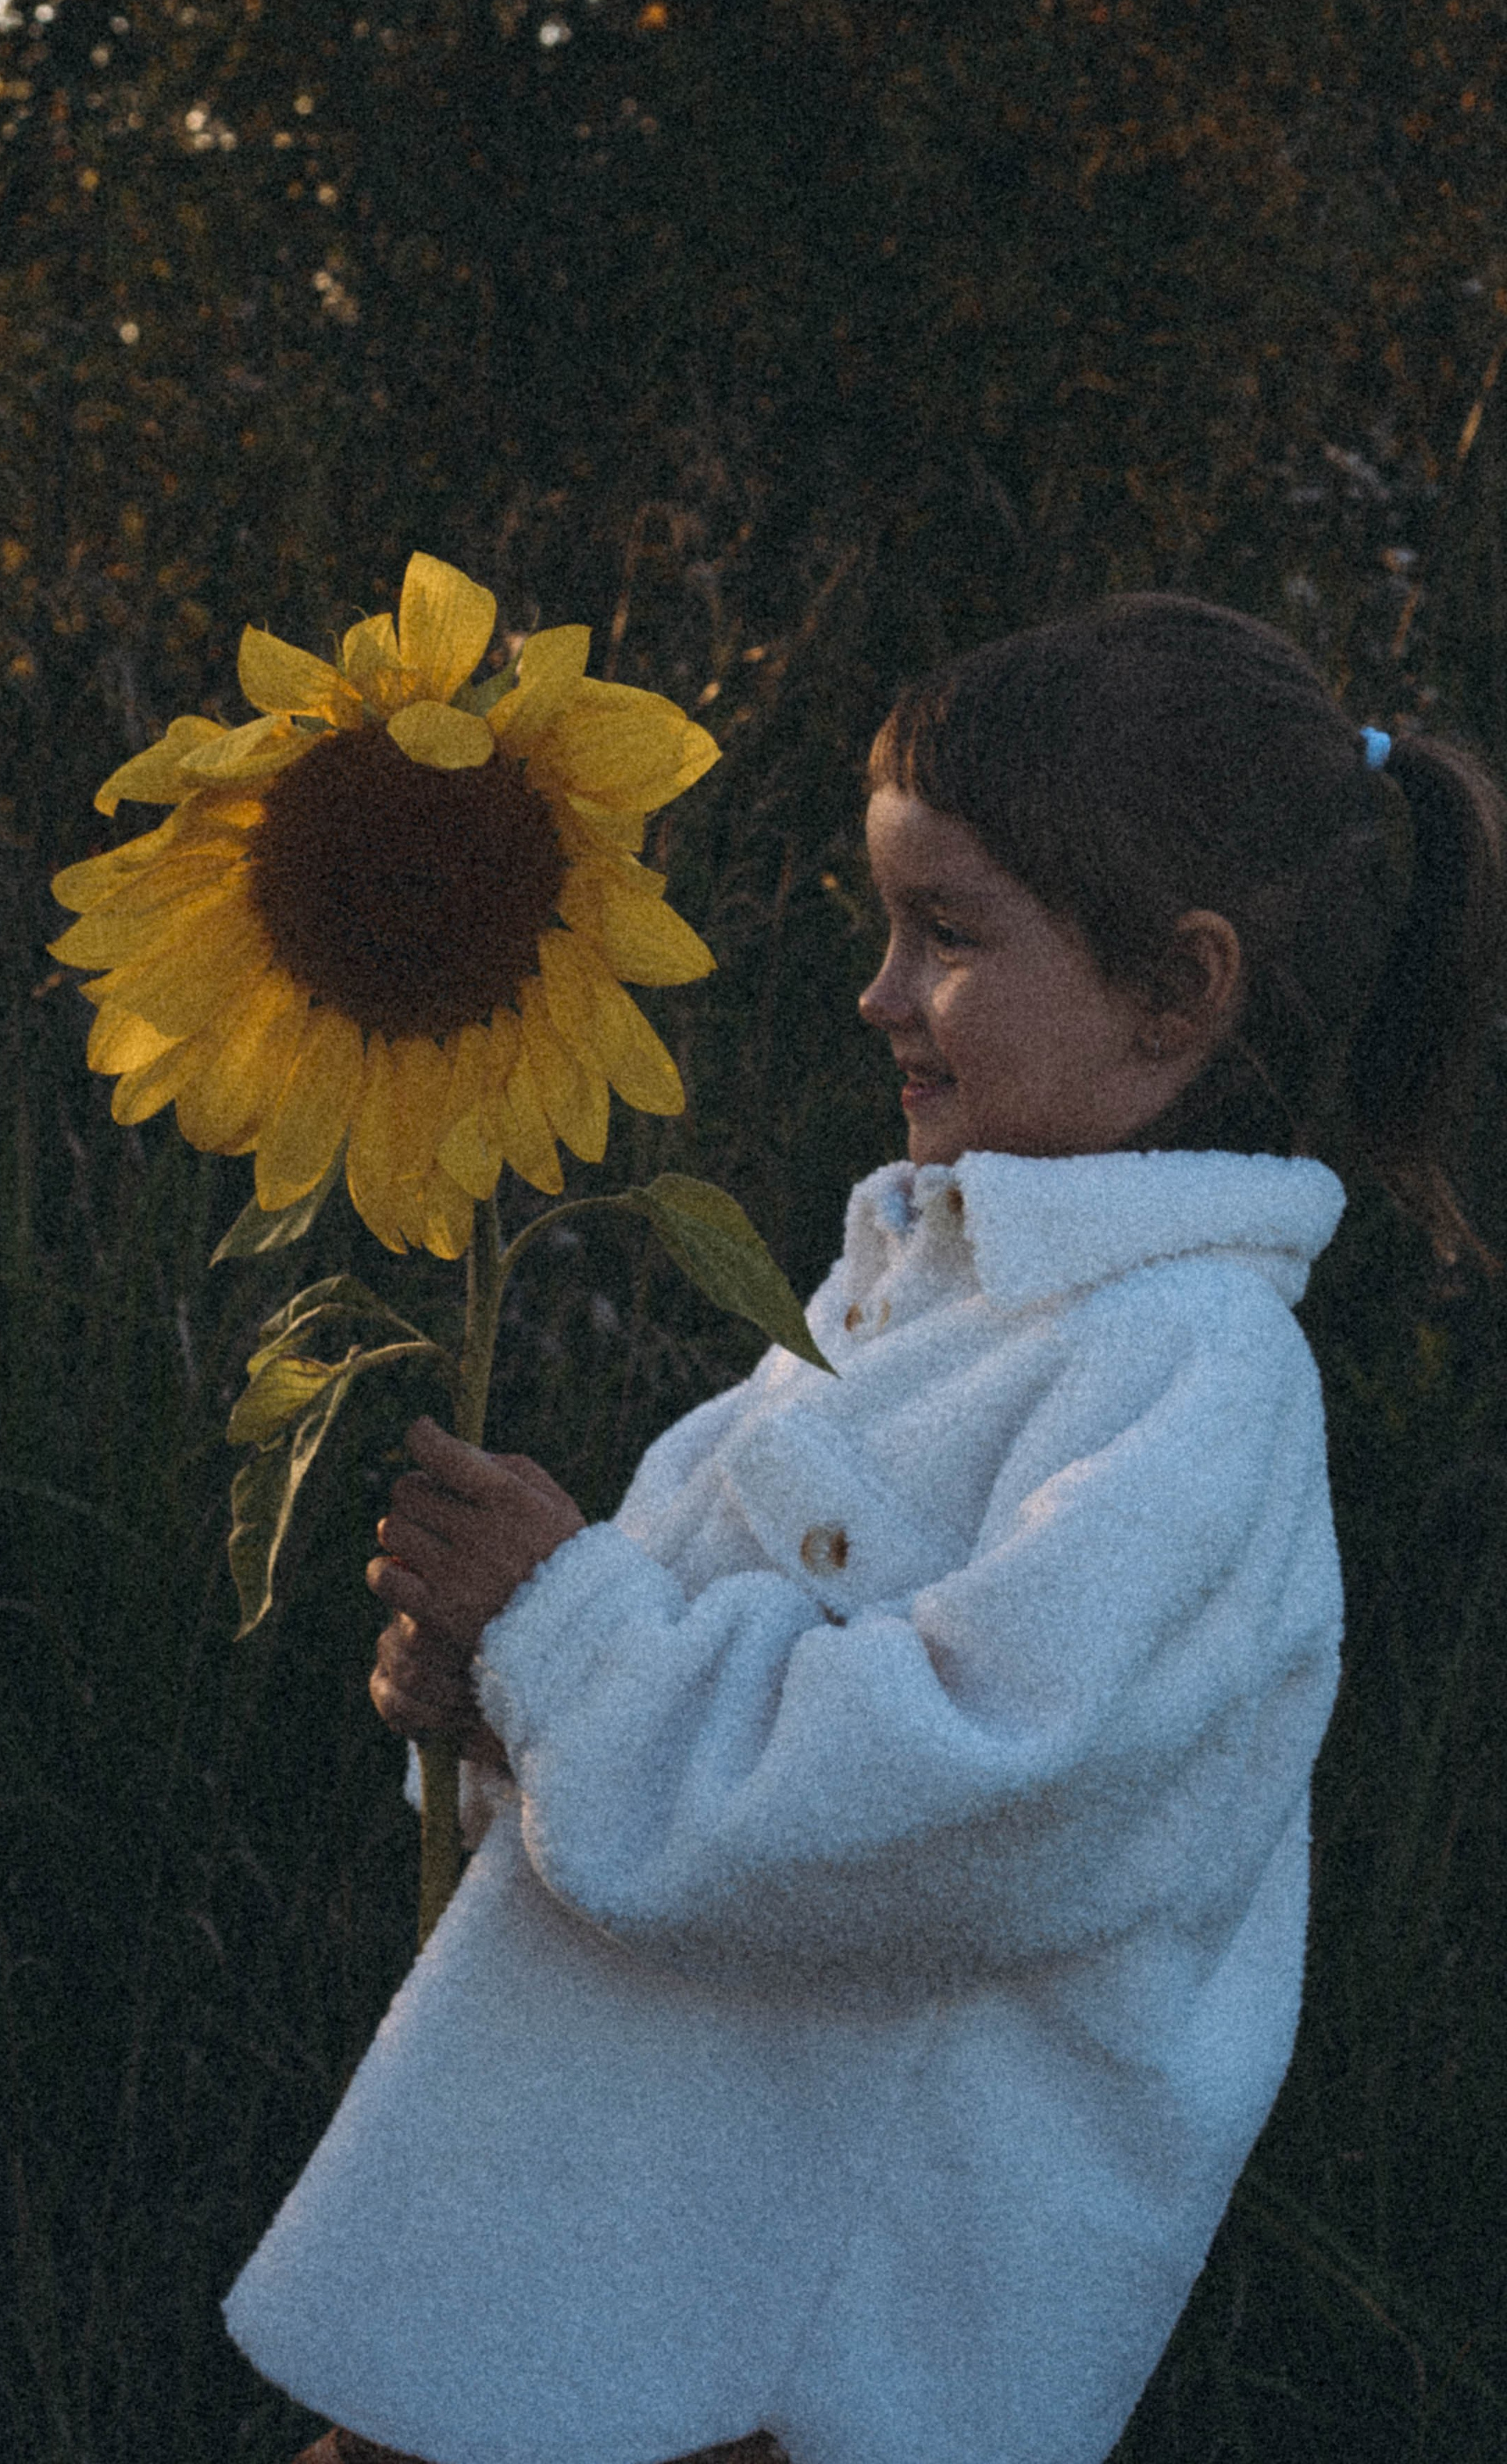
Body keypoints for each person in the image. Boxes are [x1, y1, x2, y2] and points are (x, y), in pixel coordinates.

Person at [222, 594, 1505, 2464]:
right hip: (615, 2282)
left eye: (949, 935)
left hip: (797, 2352)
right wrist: (501, 1695)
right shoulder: (919, 1299)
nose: (878, 993)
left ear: (1182, 991)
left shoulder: (1193, 1384)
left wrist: (566, 1637)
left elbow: (980, 1779)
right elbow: (661, 1693)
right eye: (887, 926)